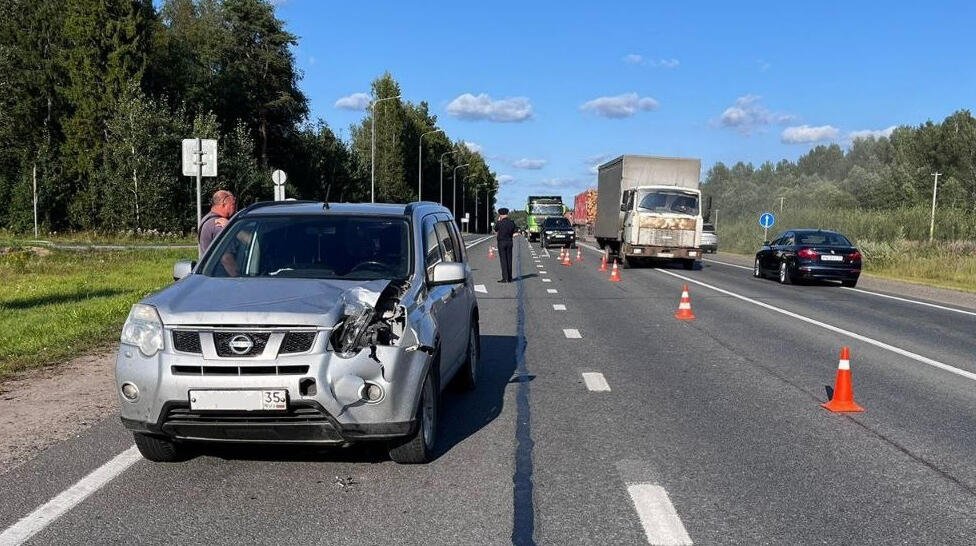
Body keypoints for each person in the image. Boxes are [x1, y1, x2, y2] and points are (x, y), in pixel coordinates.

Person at [198, 190, 237, 256]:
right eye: (233, 204)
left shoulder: (206, 219)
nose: (235, 208)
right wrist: (231, 228)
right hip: (221, 266)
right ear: (223, 205)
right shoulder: (220, 225)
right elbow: (226, 257)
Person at [494, 207, 517, 283]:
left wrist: (498, 221)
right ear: (507, 214)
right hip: (509, 242)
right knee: (509, 259)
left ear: (500, 215)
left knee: (503, 260)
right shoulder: (512, 222)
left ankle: (505, 278)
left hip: (501, 242)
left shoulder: (499, 223)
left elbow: (495, 229)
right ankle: (510, 278)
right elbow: (516, 233)